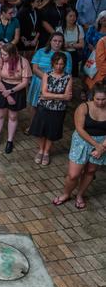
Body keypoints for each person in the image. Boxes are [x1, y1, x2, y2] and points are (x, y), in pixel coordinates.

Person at [53, 82, 106, 210]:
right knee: (73, 174)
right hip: (83, 141)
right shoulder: (83, 107)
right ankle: (66, 194)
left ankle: (80, 195)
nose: (100, 102)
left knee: (91, 171)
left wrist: (102, 147)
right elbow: (80, 129)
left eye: (104, 99)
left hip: (102, 143)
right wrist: (97, 146)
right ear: (92, 97)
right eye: (98, 99)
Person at [30, 52, 72, 166]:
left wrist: (51, 95)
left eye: (62, 64)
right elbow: (44, 93)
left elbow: (68, 97)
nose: (59, 66)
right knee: (41, 130)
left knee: (51, 131)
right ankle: (40, 150)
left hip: (58, 110)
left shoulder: (68, 77)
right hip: (44, 107)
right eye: (57, 63)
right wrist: (61, 96)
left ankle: (47, 151)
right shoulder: (46, 75)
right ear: (52, 63)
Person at [0, 43, 32, 154]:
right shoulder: (0, 61)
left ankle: (10, 141)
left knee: (13, 116)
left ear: (12, 54)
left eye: (4, 55)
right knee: (0, 114)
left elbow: (25, 82)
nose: (2, 57)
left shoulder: (24, 62)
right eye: (1, 54)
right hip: (2, 88)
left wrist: (11, 91)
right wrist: (7, 94)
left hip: (17, 89)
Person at [28, 32, 72, 110]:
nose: (57, 43)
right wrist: (47, 79)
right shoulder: (41, 51)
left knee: (51, 109)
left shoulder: (67, 55)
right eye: (55, 40)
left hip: (57, 84)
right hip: (38, 82)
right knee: (35, 107)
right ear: (50, 41)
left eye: (60, 41)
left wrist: (53, 81)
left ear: (63, 43)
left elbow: (67, 72)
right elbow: (35, 69)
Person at [58, 8, 84, 77]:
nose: (73, 18)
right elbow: (57, 44)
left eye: (74, 16)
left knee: (74, 74)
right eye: (70, 16)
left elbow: (81, 44)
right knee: (62, 74)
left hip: (75, 54)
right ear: (65, 17)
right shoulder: (60, 29)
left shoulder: (79, 28)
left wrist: (69, 45)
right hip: (63, 54)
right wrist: (65, 45)